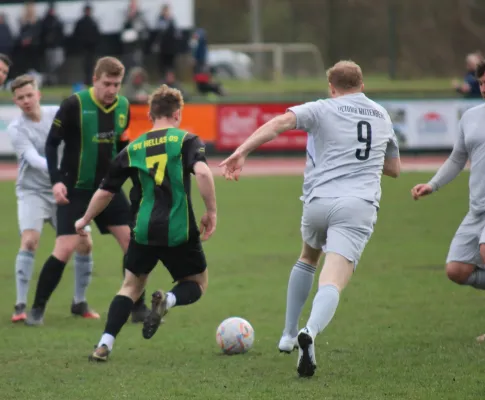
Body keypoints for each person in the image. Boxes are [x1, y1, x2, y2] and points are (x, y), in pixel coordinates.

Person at [220, 60, 401, 377]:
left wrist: (242, 151)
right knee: (332, 279)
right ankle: (311, 333)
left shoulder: (322, 108)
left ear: (332, 88)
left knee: (307, 256)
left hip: (318, 202)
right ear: (362, 85)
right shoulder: (382, 115)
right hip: (356, 205)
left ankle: (289, 335)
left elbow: (278, 124)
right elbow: (394, 169)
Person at [73, 84, 216, 362]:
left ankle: (104, 344)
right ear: (177, 114)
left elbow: (105, 192)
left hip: (142, 230)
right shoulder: (187, 140)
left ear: (150, 115)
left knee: (130, 286)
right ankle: (169, 300)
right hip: (179, 229)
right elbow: (203, 173)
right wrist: (211, 211)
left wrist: (85, 218)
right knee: (197, 283)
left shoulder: (133, 148)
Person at [25, 56, 149, 326]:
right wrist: (56, 181)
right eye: (107, 83)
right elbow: (51, 144)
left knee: (132, 243)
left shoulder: (123, 107)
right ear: (95, 80)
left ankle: (138, 307)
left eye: (117, 84)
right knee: (66, 247)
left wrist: (134, 178)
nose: (112, 90)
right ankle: (36, 309)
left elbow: (121, 143)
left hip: (108, 189)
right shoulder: (74, 105)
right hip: (75, 189)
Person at [7, 74, 94, 322]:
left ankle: (79, 302)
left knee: (84, 242)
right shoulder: (16, 128)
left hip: (64, 189)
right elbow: (33, 159)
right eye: (20, 97)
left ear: (38, 95)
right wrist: (63, 169)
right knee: (30, 240)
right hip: (33, 191)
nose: (26, 101)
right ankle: (20, 305)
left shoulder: (56, 113)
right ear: (15, 100)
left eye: (29, 95)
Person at [412, 60, 485, 343]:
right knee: (457, 269)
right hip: (477, 208)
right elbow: (458, 158)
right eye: (480, 83)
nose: (482, 88)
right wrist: (433, 184)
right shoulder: (470, 117)